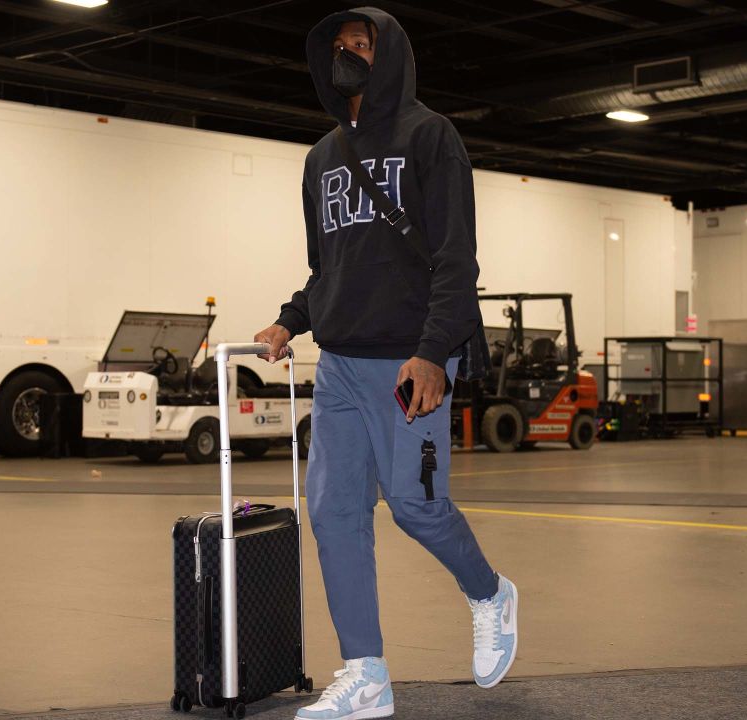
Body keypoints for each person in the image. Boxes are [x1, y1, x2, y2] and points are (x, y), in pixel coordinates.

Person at [253, 8, 516, 720]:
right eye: (337, 49)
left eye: (361, 46)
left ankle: (491, 593)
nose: (348, 58)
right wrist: (290, 319)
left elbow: (457, 259)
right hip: (337, 365)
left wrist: (434, 352)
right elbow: (327, 269)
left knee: (415, 506)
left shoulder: (431, 137)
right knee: (333, 514)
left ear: (389, 53)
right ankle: (366, 674)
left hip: (408, 367)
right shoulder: (319, 159)